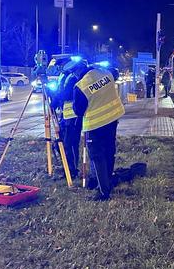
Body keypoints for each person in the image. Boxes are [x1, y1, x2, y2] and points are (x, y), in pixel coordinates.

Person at [72, 62, 125, 200]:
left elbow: (78, 110)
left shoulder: (81, 86)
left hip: (95, 125)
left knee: (97, 157)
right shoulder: (106, 74)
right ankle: (108, 181)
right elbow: (116, 74)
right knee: (109, 152)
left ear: (78, 73)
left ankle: (103, 192)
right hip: (112, 120)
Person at [53, 58, 87, 179]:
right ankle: (67, 167)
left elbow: (67, 94)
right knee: (61, 143)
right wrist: (55, 101)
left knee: (70, 144)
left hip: (73, 117)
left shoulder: (73, 77)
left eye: (60, 65)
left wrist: (55, 95)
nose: (59, 68)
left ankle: (72, 170)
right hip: (65, 115)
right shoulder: (64, 76)